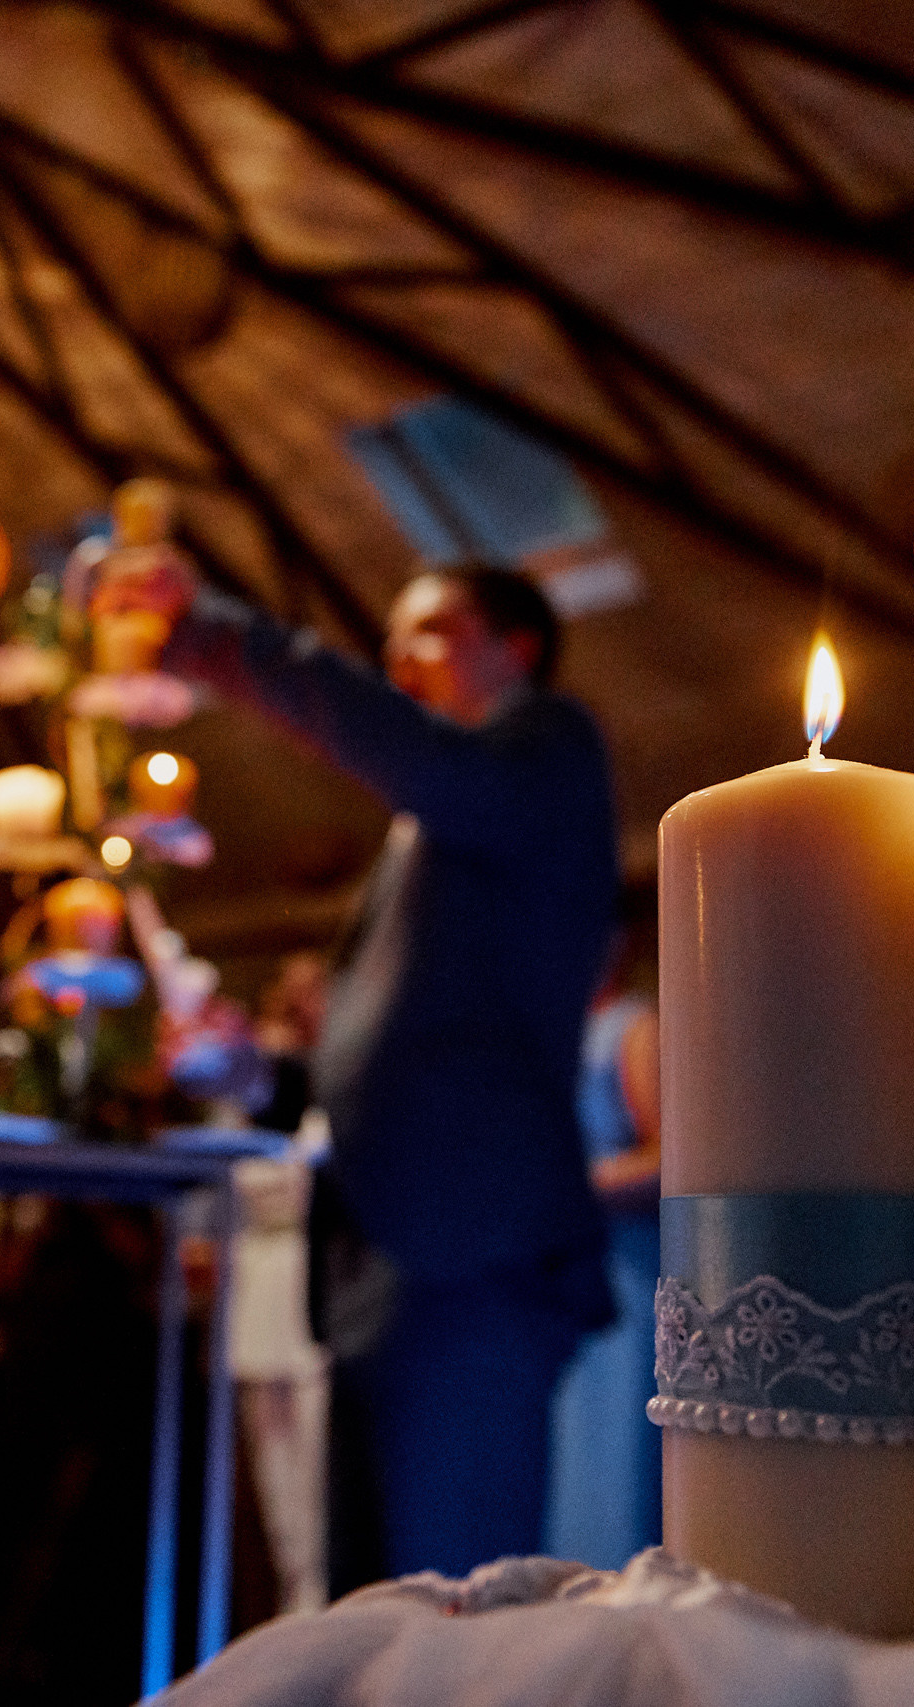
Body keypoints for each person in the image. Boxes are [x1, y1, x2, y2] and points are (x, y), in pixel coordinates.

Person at [98, 556, 618, 1580]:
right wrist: (257, 1075)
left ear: (515, 649)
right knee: (369, 1607)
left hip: (469, 1255)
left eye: (430, 630)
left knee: (454, 1608)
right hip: (378, 1262)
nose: (396, 657)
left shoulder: (545, 748)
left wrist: (214, 633)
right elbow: (384, 1055)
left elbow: (409, 749)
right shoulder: (432, 827)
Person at [545, 901, 662, 1568]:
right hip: (575, 1266)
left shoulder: (633, 1029)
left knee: (620, 1452)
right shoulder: (562, 1031)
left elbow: (672, 1155)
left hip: (627, 1273)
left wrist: (572, 1182)